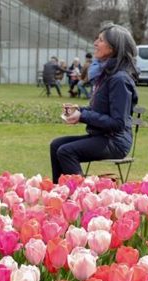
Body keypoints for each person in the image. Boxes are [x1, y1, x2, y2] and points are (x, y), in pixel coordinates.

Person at [49, 24, 139, 183]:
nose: (95, 43)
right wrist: (79, 110)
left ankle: (83, 195)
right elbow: (99, 110)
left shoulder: (119, 80)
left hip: (115, 141)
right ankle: (60, 193)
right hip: (102, 136)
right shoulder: (106, 76)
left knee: (66, 151)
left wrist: (83, 116)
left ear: (112, 48)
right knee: (56, 145)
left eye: (101, 40)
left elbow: (118, 123)